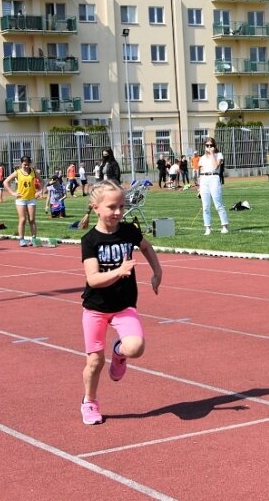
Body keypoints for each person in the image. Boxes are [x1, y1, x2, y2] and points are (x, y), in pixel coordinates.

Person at [79, 180, 163, 425]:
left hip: (124, 306)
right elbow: (93, 279)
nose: (117, 212)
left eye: (121, 206)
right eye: (112, 207)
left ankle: (119, 352)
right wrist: (119, 271)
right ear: (96, 208)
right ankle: (89, 402)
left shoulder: (128, 231)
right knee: (94, 361)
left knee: (135, 347)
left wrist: (158, 272)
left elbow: (146, 247)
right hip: (95, 308)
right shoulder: (90, 240)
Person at [4, 156, 43, 246]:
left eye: (27, 164)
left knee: (32, 219)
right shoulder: (17, 172)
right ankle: (22, 239)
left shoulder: (33, 172)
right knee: (22, 219)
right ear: (21, 164)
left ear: (30, 164)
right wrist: (12, 193)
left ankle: (34, 239)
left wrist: (40, 191)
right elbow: (5, 182)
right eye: (24, 164)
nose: (26, 166)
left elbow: (42, 181)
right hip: (20, 199)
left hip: (31, 199)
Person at [198, 137, 229, 235]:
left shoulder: (218, 155)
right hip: (204, 179)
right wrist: (199, 187)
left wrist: (211, 154)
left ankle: (224, 226)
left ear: (214, 146)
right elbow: (200, 172)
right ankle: (208, 227)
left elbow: (216, 166)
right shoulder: (202, 158)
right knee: (205, 206)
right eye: (207, 145)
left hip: (214, 178)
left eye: (211, 145)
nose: (209, 147)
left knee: (218, 204)